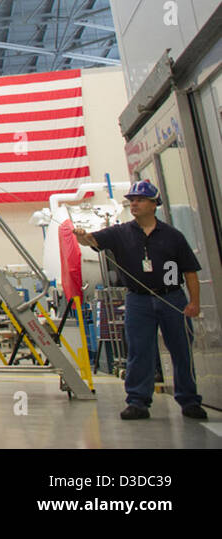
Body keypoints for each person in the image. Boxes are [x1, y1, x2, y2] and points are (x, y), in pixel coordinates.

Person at [74, 179, 207, 420]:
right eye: (131, 200)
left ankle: (189, 401)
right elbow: (92, 241)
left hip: (172, 299)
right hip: (138, 301)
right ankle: (137, 401)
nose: (134, 204)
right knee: (138, 351)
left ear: (154, 204)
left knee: (181, 351)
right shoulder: (120, 233)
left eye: (140, 200)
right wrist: (82, 236)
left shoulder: (173, 236)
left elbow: (189, 272)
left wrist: (194, 303)